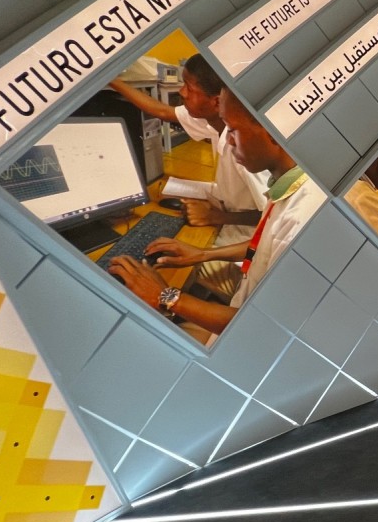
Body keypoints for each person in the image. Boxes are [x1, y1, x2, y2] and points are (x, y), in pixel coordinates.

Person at [107, 90, 327, 337]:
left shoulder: (300, 218)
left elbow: (261, 328)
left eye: (233, 130)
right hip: (244, 305)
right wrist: (202, 253)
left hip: (241, 337)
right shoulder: (287, 183)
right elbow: (263, 245)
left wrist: (167, 296)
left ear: (272, 131)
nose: (229, 141)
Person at [109, 54, 268, 298]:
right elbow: (161, 111)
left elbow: (270, 219)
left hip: (243, 250)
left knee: (165, 271)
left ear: (217, 102)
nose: (181, 93)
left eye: (189, 88)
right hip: (230, 229)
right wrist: (112, 81)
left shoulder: (244, 151)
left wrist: (216, 216)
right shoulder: (213, 122)